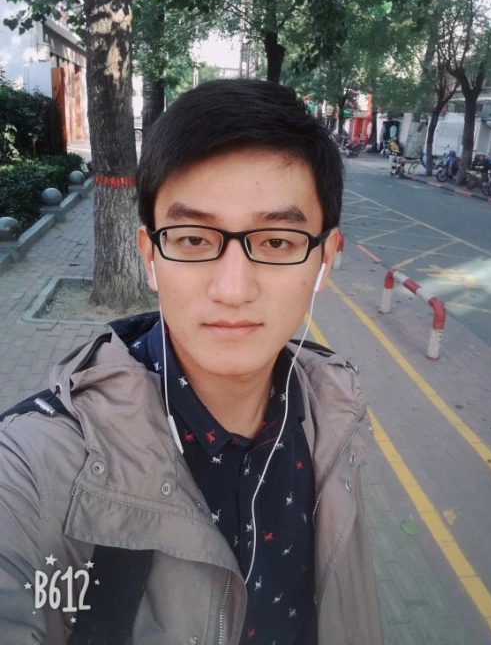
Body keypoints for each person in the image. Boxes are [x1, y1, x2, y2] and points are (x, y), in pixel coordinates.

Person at [0, 79, 382, 645]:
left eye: (277, 242)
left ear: (325, 260)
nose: (233, 289)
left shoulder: (334, 418)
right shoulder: (35, 469)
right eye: (194, 240)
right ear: (150, 258)